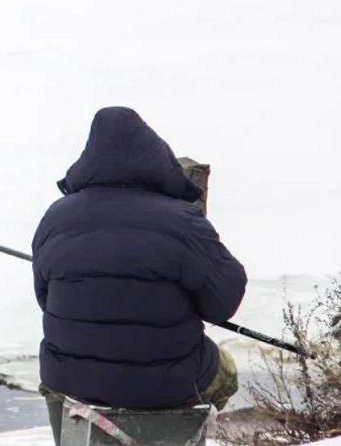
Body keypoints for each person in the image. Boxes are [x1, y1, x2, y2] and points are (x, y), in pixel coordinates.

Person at [31, 107, 247, 444]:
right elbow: (223, 302)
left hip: (70, 383)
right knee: (227, 372)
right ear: (155, 158)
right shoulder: (182, 221)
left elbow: (44, 298)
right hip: (168, 385)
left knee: (61, 384)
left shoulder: (55, 217)